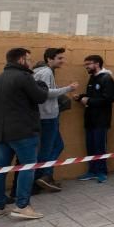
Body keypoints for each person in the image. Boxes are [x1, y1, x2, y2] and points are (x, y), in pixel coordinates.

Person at [0, 47, 50, 220]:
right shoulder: (24, 77)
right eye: (29, 60)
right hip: (23, 132)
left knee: (0, 170)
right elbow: (40, 97)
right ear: (21, 60)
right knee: (27, 167)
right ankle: (22, 206)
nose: (31, 63)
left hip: (0, 133)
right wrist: (42, 85)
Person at [32, 48, 79, 193]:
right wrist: (68, 88)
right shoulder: (46, 72)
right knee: (47, 150)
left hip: (45, 116)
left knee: (56, 146)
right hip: (47, 117)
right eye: (59, 58)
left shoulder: (40, 72)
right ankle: (41, 178)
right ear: (49, 59)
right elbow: (46, 93)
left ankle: (45, 177)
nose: (62, 61)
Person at [75, 55, 114, 183]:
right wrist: (81, 97)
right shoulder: (92, 78)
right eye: (85, 64)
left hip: (101, 120)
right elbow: (92, 96)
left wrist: (89, 100)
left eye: (88, 64)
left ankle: (102, 172)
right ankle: (92, 171)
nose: (86, 67)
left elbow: (110, 98)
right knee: (91, 147)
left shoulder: (106, 78)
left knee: (100, 147)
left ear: (97, 64)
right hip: (90, 119)